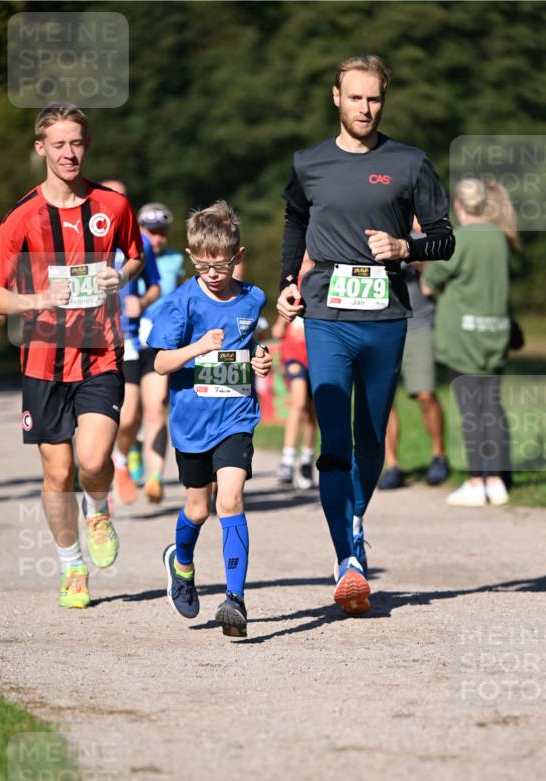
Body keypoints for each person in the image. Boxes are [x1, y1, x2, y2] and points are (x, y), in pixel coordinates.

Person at [276, 54, 454, 614]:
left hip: (386, 316)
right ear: (337, 97)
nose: (365, 107)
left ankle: (355, 514)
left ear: (384, 99)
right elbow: (295, 221)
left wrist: (408, 248)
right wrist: (287, 280)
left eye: (374, 98)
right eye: (355, 97)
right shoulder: (309, 163)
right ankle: (348, 557)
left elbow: (445, 238)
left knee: (371, 439)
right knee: (334, 443)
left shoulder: (409, 162)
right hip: (326, 316)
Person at [0, 103, 143, 609]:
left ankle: (98, 509)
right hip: (42, 360)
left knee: (93, 460)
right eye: (58, 145)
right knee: (57, 473)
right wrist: (36, 300)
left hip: (99, 353)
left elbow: (135, 255)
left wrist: (124, 275)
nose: (68, 153)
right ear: (41, 149)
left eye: (76, 143)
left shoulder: (112, 206)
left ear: (86, 145)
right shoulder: (22, 217)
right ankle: (73, 567)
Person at [148, 201, 272, 637]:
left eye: (220, 265)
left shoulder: (253, 296)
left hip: (236, 416)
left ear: (237, 256)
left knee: (230, 499)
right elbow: (162, 364)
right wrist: (198, 348)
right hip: (192, 422)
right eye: (202, 265)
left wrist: (261, 359)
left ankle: (235, 601)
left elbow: (251, 344)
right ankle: (180, 563)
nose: (212, 274)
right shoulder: (180, 302)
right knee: (198, 508)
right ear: (190, 256)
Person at [423, 177, 518, 506]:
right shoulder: (500, 238)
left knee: (470, 410)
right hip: (495, 334)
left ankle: (477, 480)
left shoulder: (458, 240)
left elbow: (430, 283)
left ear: (459, 207)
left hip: (462, 338)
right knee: (492, 408)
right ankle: (497, 481)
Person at [98, 183, 162, 505]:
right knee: (115, 416)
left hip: (133, 338)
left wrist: (142, 300)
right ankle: (109, 465)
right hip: (97, 338)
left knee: (136, 412)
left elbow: (155, 286)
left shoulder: (140, 242)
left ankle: (122, 461)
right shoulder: (84, 239)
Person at [378, 234, 449, 489]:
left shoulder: (421, 235)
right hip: (380, 325)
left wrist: (414, 258)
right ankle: (392, 465)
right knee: (384, 400)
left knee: (425, 394)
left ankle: (439, 456)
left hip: (418, 323)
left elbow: (441, 278)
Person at [128, 202, 187, 503]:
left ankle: (155, 476)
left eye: (162, 232)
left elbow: (178, 292)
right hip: (130, 339)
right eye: (151, 231)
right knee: (129, 414)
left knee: (156, 408)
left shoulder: (177, 259)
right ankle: (128, 452)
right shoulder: (132, 256)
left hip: (160, 342)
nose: (157, 238)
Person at [272, 253, 316, 490]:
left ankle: (307, 460)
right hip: (295, 354)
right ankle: (288, 460)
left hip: (317, 354)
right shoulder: (292, 287)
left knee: (311, 411)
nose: (306, 267)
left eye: (311, 262)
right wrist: (282, 324)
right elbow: (279, 328)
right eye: (303, 263)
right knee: (298, 402)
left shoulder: (324, 284)